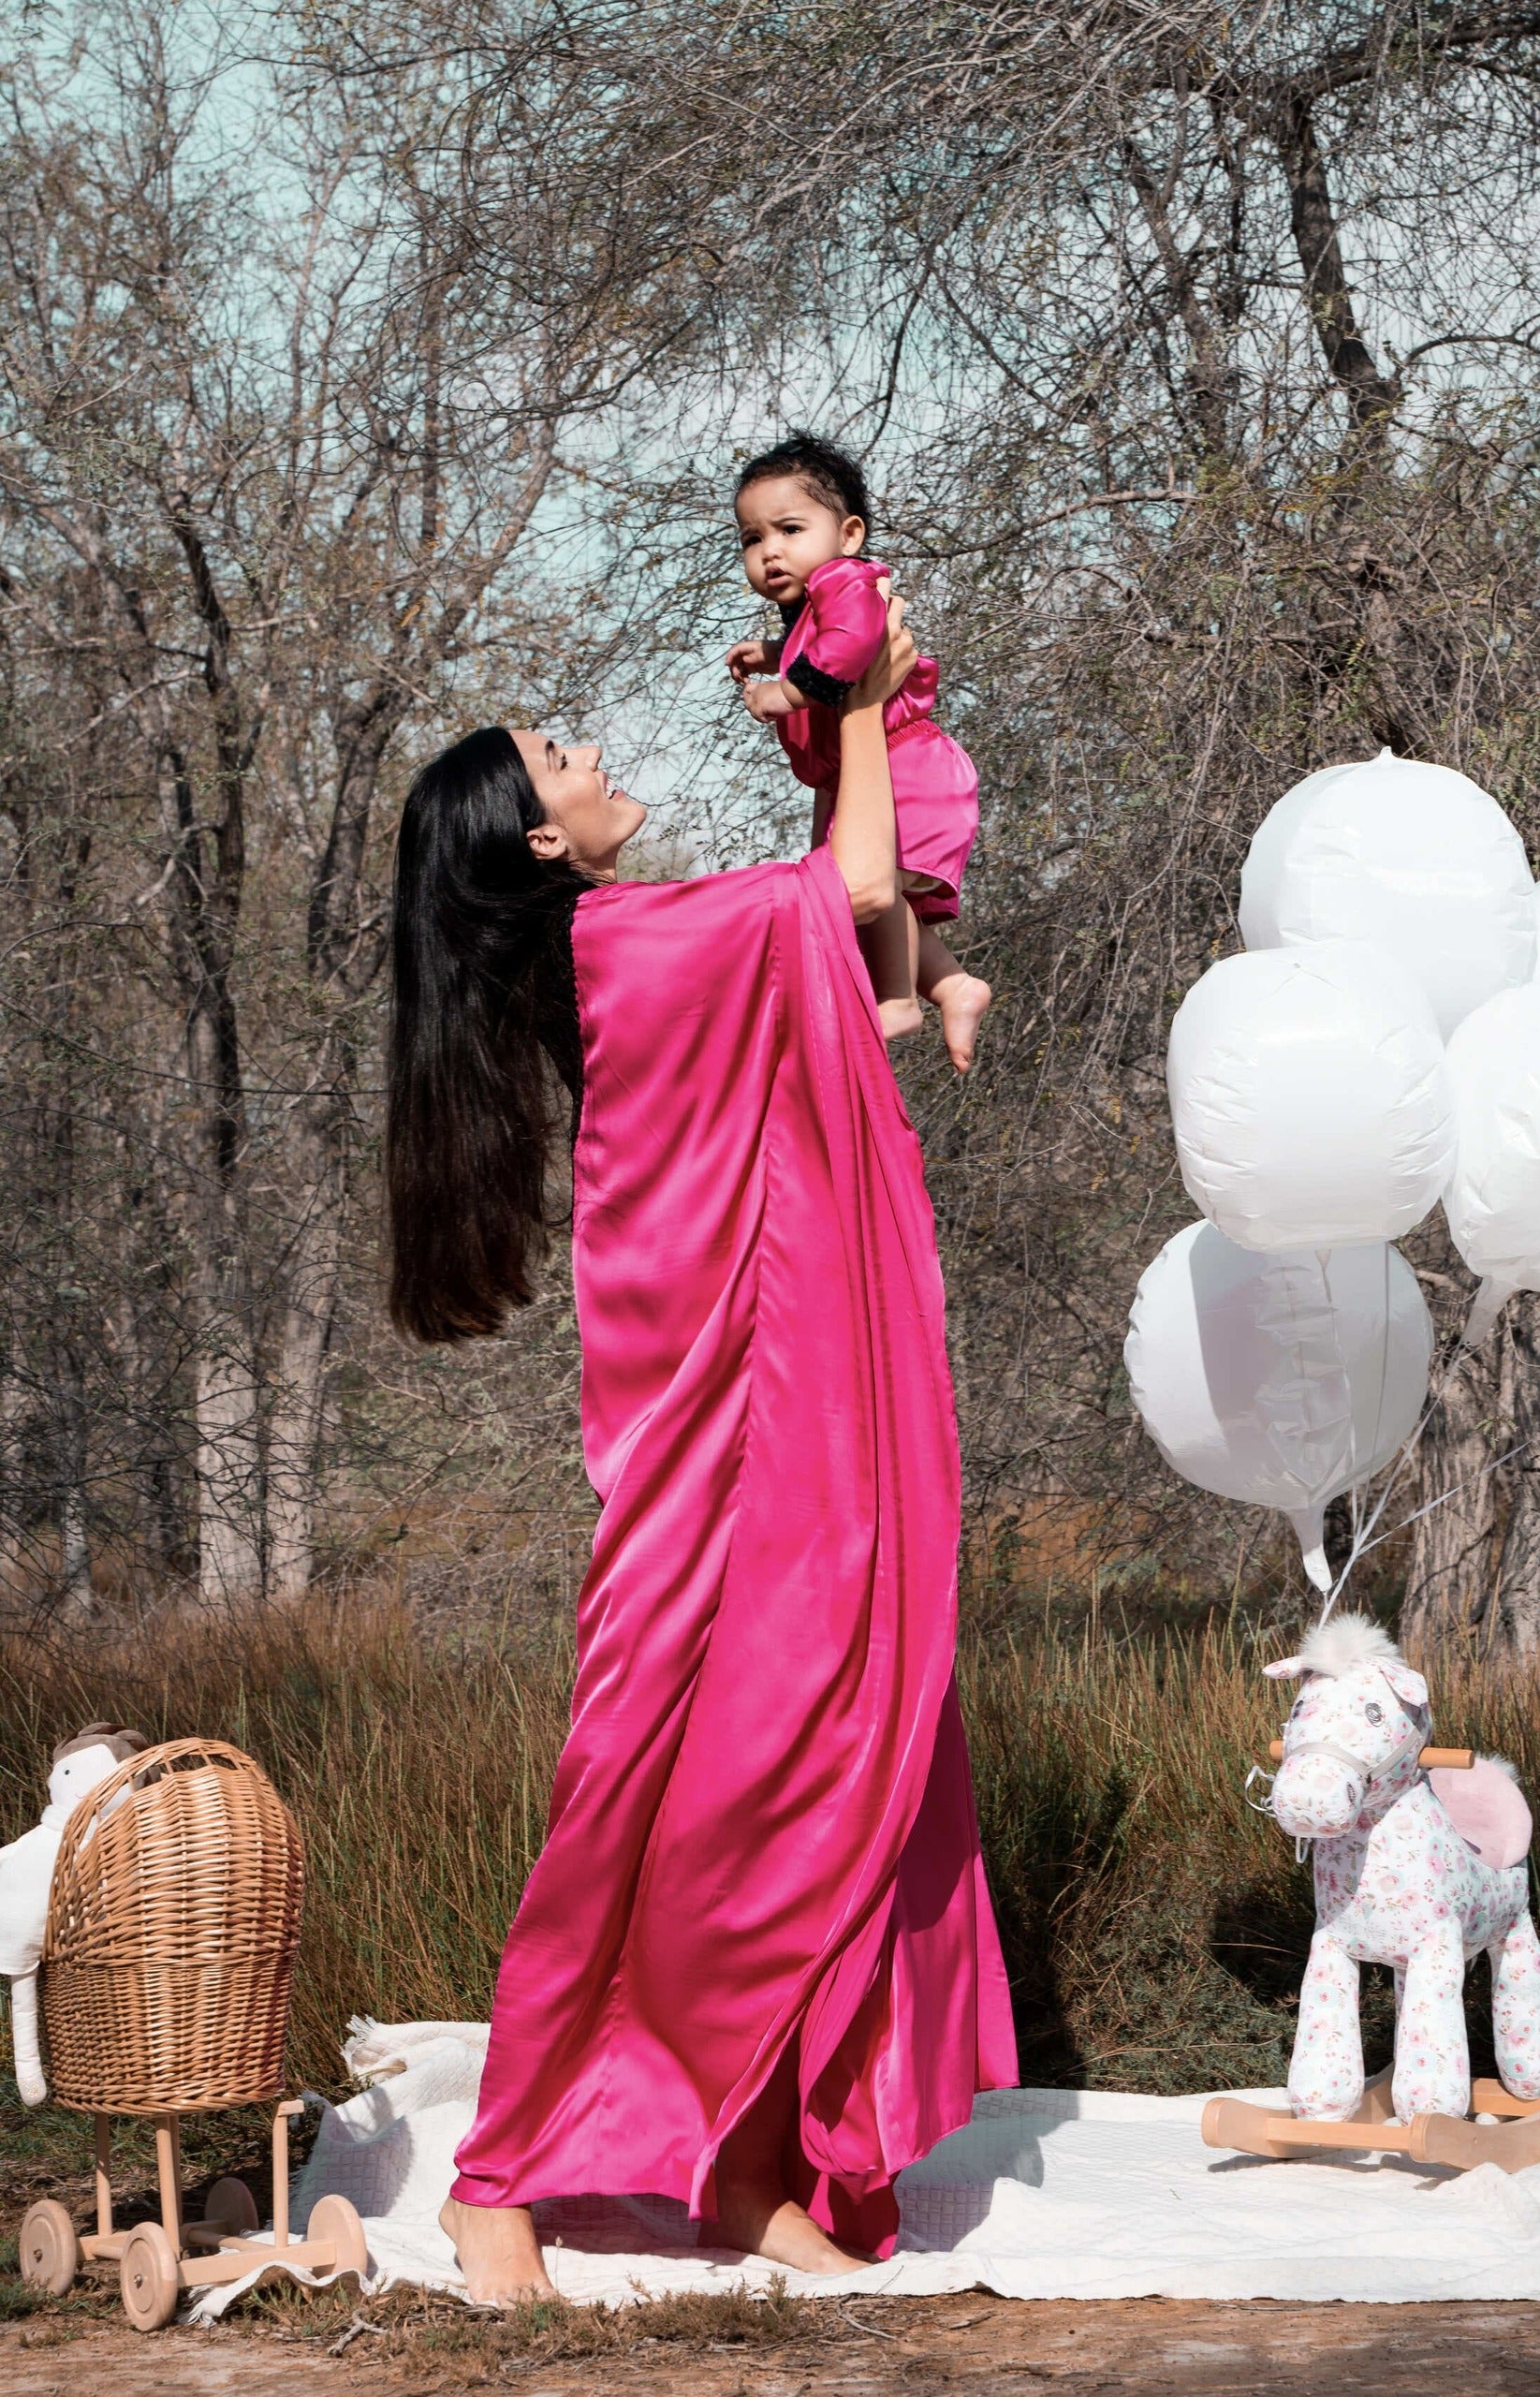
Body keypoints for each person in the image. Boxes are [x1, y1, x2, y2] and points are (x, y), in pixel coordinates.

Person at [385, 598, 1016, 2306]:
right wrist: (865, 706)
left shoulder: (616, 941)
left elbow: (845, 948)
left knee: (787, 1760)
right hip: (703, 1430)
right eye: (554, 758)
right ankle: (498, 2177)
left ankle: (741, 2165)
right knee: (646, 1786)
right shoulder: (622, 945)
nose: (587, 759)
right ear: (535, 835)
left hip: (747, 1406)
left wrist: (827, 731)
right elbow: (858, 897)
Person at [726, 435, 992, 1073]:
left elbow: (850, 647)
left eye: (789, 529)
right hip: (882, 768)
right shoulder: (818, 602)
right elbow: (824, 640)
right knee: (875, 894)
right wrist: (773, 651)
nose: (769, 552)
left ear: (848, 535)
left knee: (877, 884)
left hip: (904, 767)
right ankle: (952, 985)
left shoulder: (846, 582)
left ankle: (899, 998)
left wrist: (782, 692)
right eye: (751, 538)